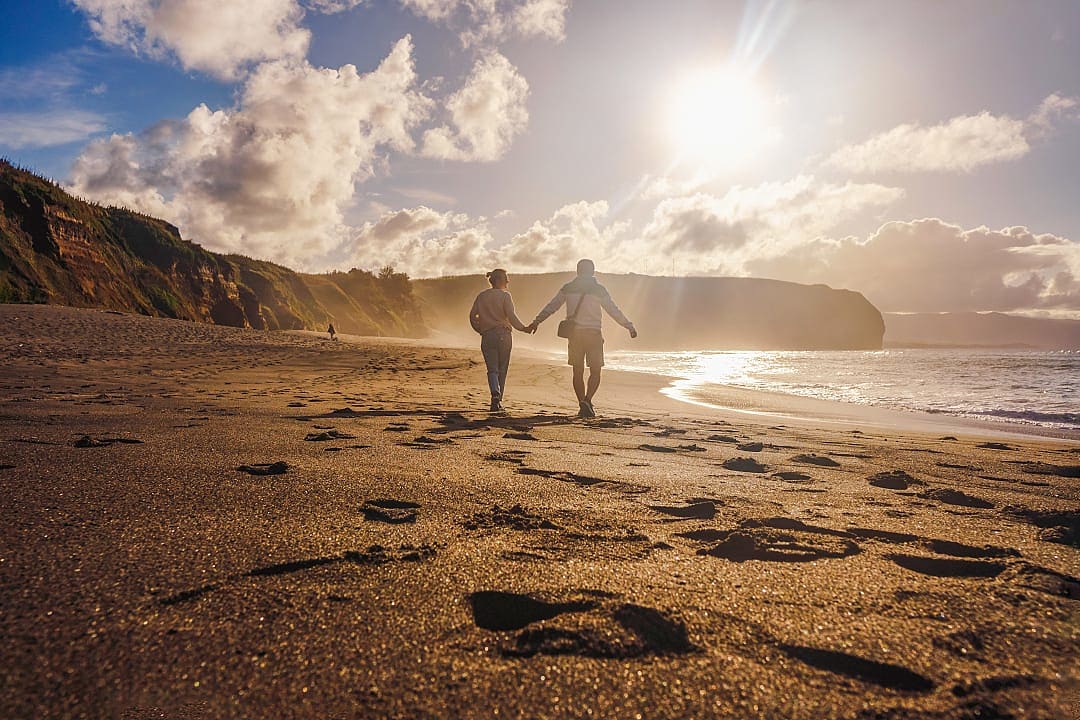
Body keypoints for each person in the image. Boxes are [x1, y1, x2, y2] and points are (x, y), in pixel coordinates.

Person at [527, 259, 636, 418]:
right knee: (596, 371)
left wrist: (536, 321)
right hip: (593, 335)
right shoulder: (599, 289)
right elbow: (613, 310)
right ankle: (587, 399)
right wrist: (628, 326)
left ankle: (582, 404)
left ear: (578, 271)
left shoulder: (568, 288)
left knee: (577, 372)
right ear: (592, 271)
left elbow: (552, 306)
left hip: (575, 336)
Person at [470, 269, 533, 412]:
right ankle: (498, 401)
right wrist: (524, 328)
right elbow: (511, 316)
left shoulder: (482, 296)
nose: (508, 281)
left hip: (487, 335)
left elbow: (473, 316)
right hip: (504, 335)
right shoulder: (505, 296)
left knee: (492, 369)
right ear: (498, 280)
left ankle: (494, 393)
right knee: (502, 369)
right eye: (506, 278)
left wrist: (480, 329)